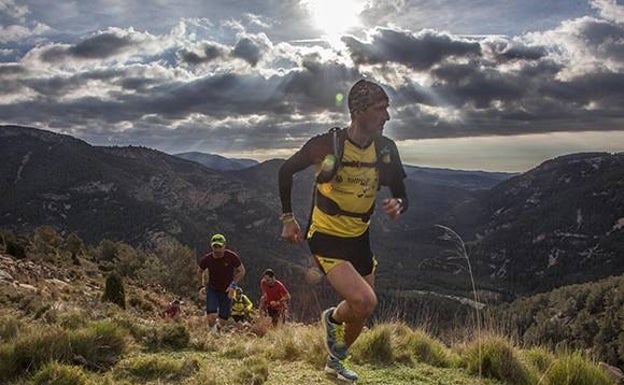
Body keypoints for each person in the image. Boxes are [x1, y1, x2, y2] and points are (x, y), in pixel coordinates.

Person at [278, 79, 408, 382]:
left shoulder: (386, 149)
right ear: (358, 110)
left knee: (359, 310)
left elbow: (401, 192)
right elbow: (286, 170)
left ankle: (334, 359)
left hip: (359, 236)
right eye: (380, 109)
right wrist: (288, 218)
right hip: (326, 235)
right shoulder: (329, 144)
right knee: (366, 301)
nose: (387, 117)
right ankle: (332, 322)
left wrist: (399, 204)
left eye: (387, 109)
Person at [197, 233, 246, 330]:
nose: (217, 250)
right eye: (215, 246)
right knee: (212, 317)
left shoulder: (231, 256)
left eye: (219, 246)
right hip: (213, 289)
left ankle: (217, 330)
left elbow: (242, 271)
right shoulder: (207, 259)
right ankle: (211, 336)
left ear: (224, 246)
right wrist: (201, 286)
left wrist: (233, 284)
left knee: (223, 321)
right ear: (211, 246)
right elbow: (199, 271)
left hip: (227, 290)